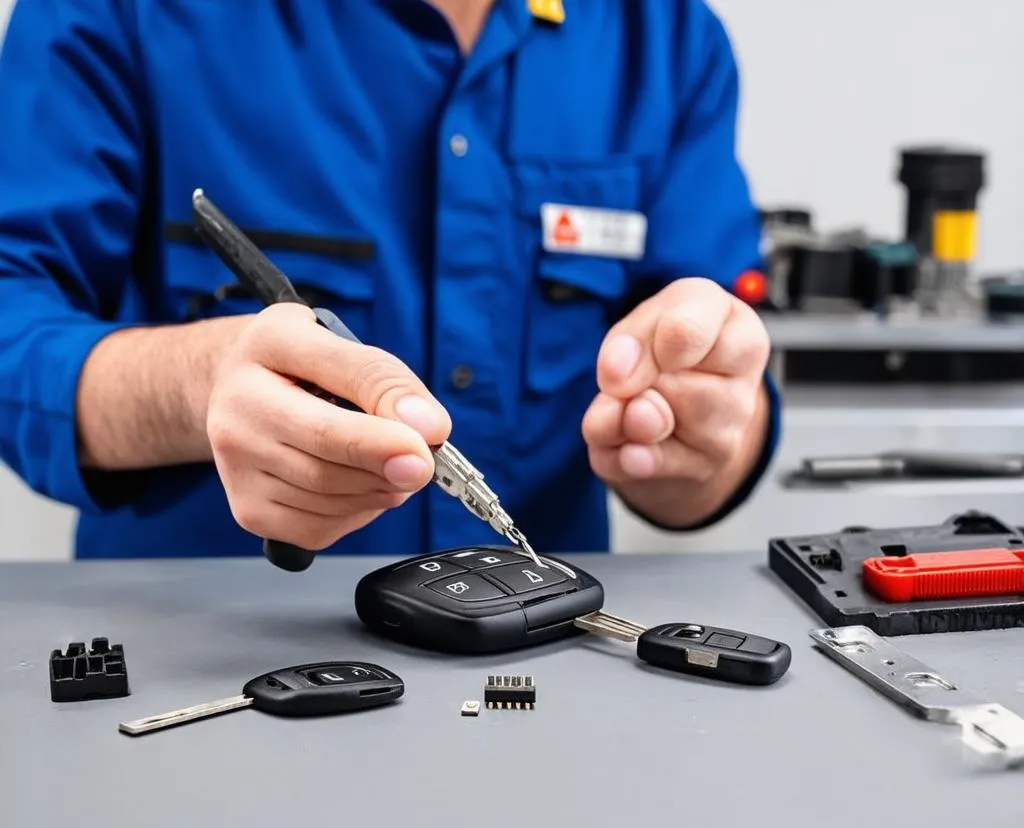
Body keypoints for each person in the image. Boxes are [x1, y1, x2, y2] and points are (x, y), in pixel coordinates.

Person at [0, 0, 779, 562]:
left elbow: (714, 416)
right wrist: (194, 385)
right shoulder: (120, 13)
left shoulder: (669, 39)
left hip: (539, 673)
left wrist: (700, 440)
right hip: (204, 677)